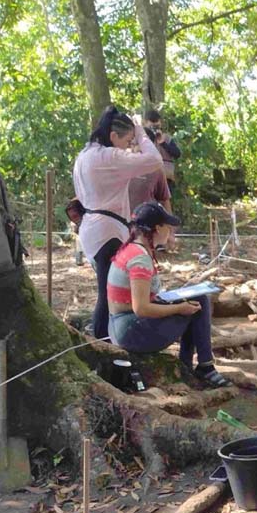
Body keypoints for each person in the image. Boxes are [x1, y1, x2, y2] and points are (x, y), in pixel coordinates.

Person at [107, 202, 231, 388]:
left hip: (122, 325)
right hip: (130, 331)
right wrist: (179, 308)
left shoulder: (133, 248)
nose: (170, 231)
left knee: (198, 299)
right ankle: (203, 366)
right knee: (196, 306)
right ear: (157, 228)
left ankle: (190, 365)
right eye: (168, 226)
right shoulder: (140, 257)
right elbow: (140, 308)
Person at [73, 106, 164, 340]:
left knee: (106, 292)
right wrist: (141, 132)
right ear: (113, 137)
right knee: (108, 297)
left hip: (94, 228)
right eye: (128, 140)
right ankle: (104, 346)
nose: (129, 145)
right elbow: (154, 160)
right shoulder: (108, 157)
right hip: (107, 231)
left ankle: (105, 343)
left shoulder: (85, 155)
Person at [128, 127, 176, 250]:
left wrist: (170, 232)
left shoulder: (156, 170)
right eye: (133, 144)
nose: (135, 148)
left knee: (143, 263)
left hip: (145, 230)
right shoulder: (122, 165)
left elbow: (165, 200)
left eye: (138, 144)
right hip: (122, 226)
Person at [143, 109, 182, 191]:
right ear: (145, 122)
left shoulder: (166, 138)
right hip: (147, 176)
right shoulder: (141, 138)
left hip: (166, 177)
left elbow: (177, 154)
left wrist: (163, 143)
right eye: (152, 123)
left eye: (157, 123)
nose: (154, 127)